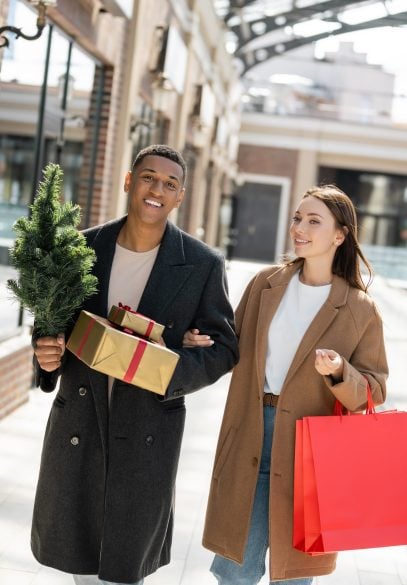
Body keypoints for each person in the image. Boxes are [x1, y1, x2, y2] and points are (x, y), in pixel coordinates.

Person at [32, 144, 239, 585]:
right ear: (129, 181)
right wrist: (45, 354)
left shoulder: (202, 264)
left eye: (169, 183)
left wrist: (167, 369)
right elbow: (49, 322)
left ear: (180, 196)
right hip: (81, 421)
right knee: (78, 562)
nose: (156, 190)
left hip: (147, 427)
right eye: (147, 177)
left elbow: (223, 348)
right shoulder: (81, 248)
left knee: (125, 569)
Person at [183, 184, 388, 585]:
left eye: (314, 221)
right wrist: (198, 342)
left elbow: (374, 390)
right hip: (251, 432)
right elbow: (230, 345)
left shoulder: (361, 310)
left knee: (292, 575)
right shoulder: (265, 285)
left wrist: (338, 372)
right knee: (235, 571)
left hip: (311, 450)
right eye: (297, 218)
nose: (300, 228)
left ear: (340, 235)